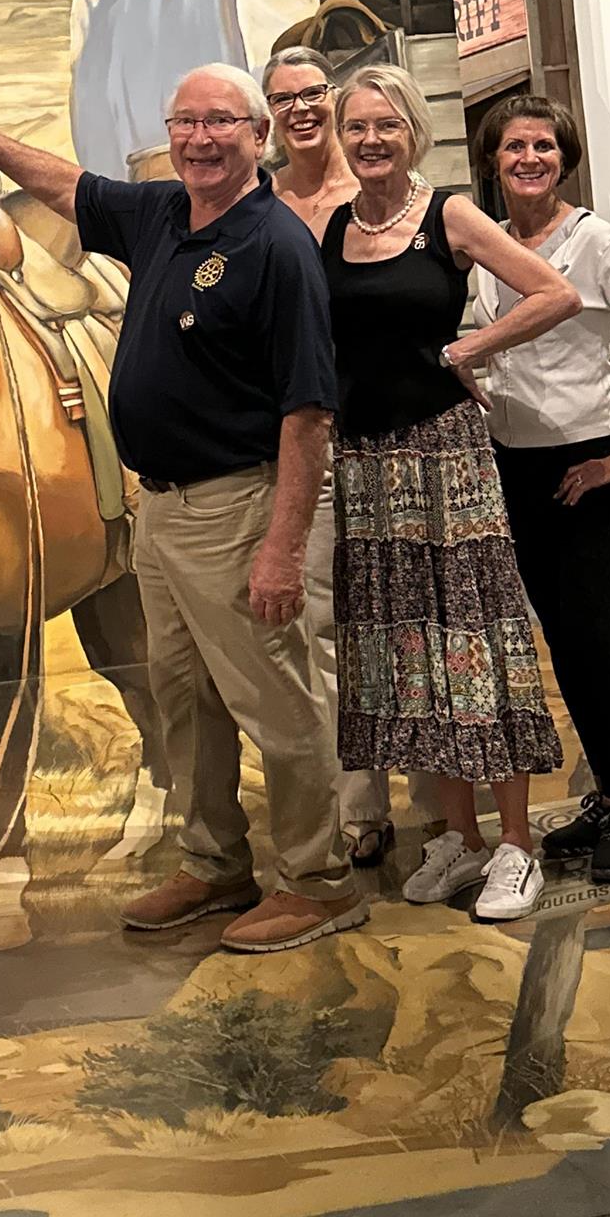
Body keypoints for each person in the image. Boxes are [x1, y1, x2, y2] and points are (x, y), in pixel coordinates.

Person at [0, 67, 365, 954]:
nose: (199, 138)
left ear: (258, 135)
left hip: (236, 507)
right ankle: (214, 862)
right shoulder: (162, 213)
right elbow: (70, 188)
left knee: (275, 701)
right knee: (181, 698)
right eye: (184, 121)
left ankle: (319, 880)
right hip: (158, 509)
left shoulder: (273, 245)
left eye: (219, 122)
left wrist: (282, 547)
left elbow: (308, 412)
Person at [322, 65, 578, 921]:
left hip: (444, 459)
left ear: (412, 132)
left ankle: (515, 844)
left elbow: (554, 293)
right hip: (367, 467)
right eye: (356, 127)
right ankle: (460, 838)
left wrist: (468, 350)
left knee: (476, 639)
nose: (370, 140)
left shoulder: (447, 214)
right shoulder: (332, 229)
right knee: (411, 654)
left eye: (385, 125)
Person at [474, 95, 610, 883]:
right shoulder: (488, 245)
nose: (529, 158)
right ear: (492, 159)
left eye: (544, 146)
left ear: (563, 160)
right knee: (562, 644)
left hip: (585, 466)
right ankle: (605, 798)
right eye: (514, 146)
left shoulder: (591, 240)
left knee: (591, 642)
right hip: (516, 465)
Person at [263, 47, 434, 865]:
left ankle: (440, 797)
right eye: (282, 99)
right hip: (310, 438)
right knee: (327, 628)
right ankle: (359, 804)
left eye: (311, 94)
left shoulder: (378, 192)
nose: (300, 110)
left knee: (419, 615)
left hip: (391, 434)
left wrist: (460, 357)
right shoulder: (260, 203)